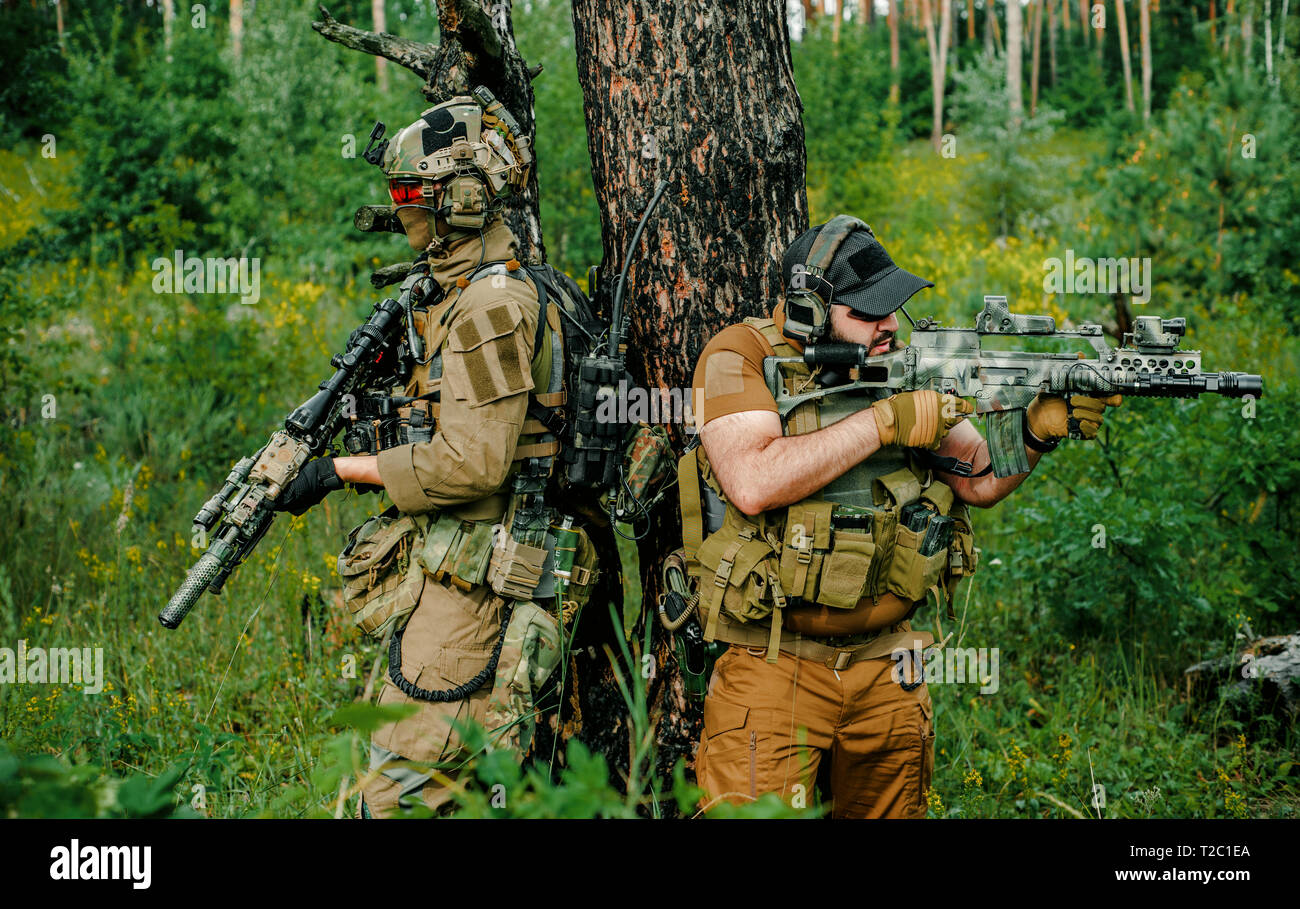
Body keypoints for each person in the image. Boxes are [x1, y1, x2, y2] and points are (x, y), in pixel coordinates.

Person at [681, 215, 1121, 818]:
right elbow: (754, 482)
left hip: (891, 664)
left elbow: (980, 477)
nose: (889, 325)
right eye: (867, 312)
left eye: (892, 308)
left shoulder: (899, 364)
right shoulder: (740, 356)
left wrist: (1035, 433)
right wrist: (883, 423)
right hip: (775, 666)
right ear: (810, 308)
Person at [273, 94, 569, 817]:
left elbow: (472, 464)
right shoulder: (456, 292)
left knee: (396, 793)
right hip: (455, 564)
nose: (401, 210)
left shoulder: (492, 306)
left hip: (482, 579)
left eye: (412, 195)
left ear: (461, 200)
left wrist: (338, 472)